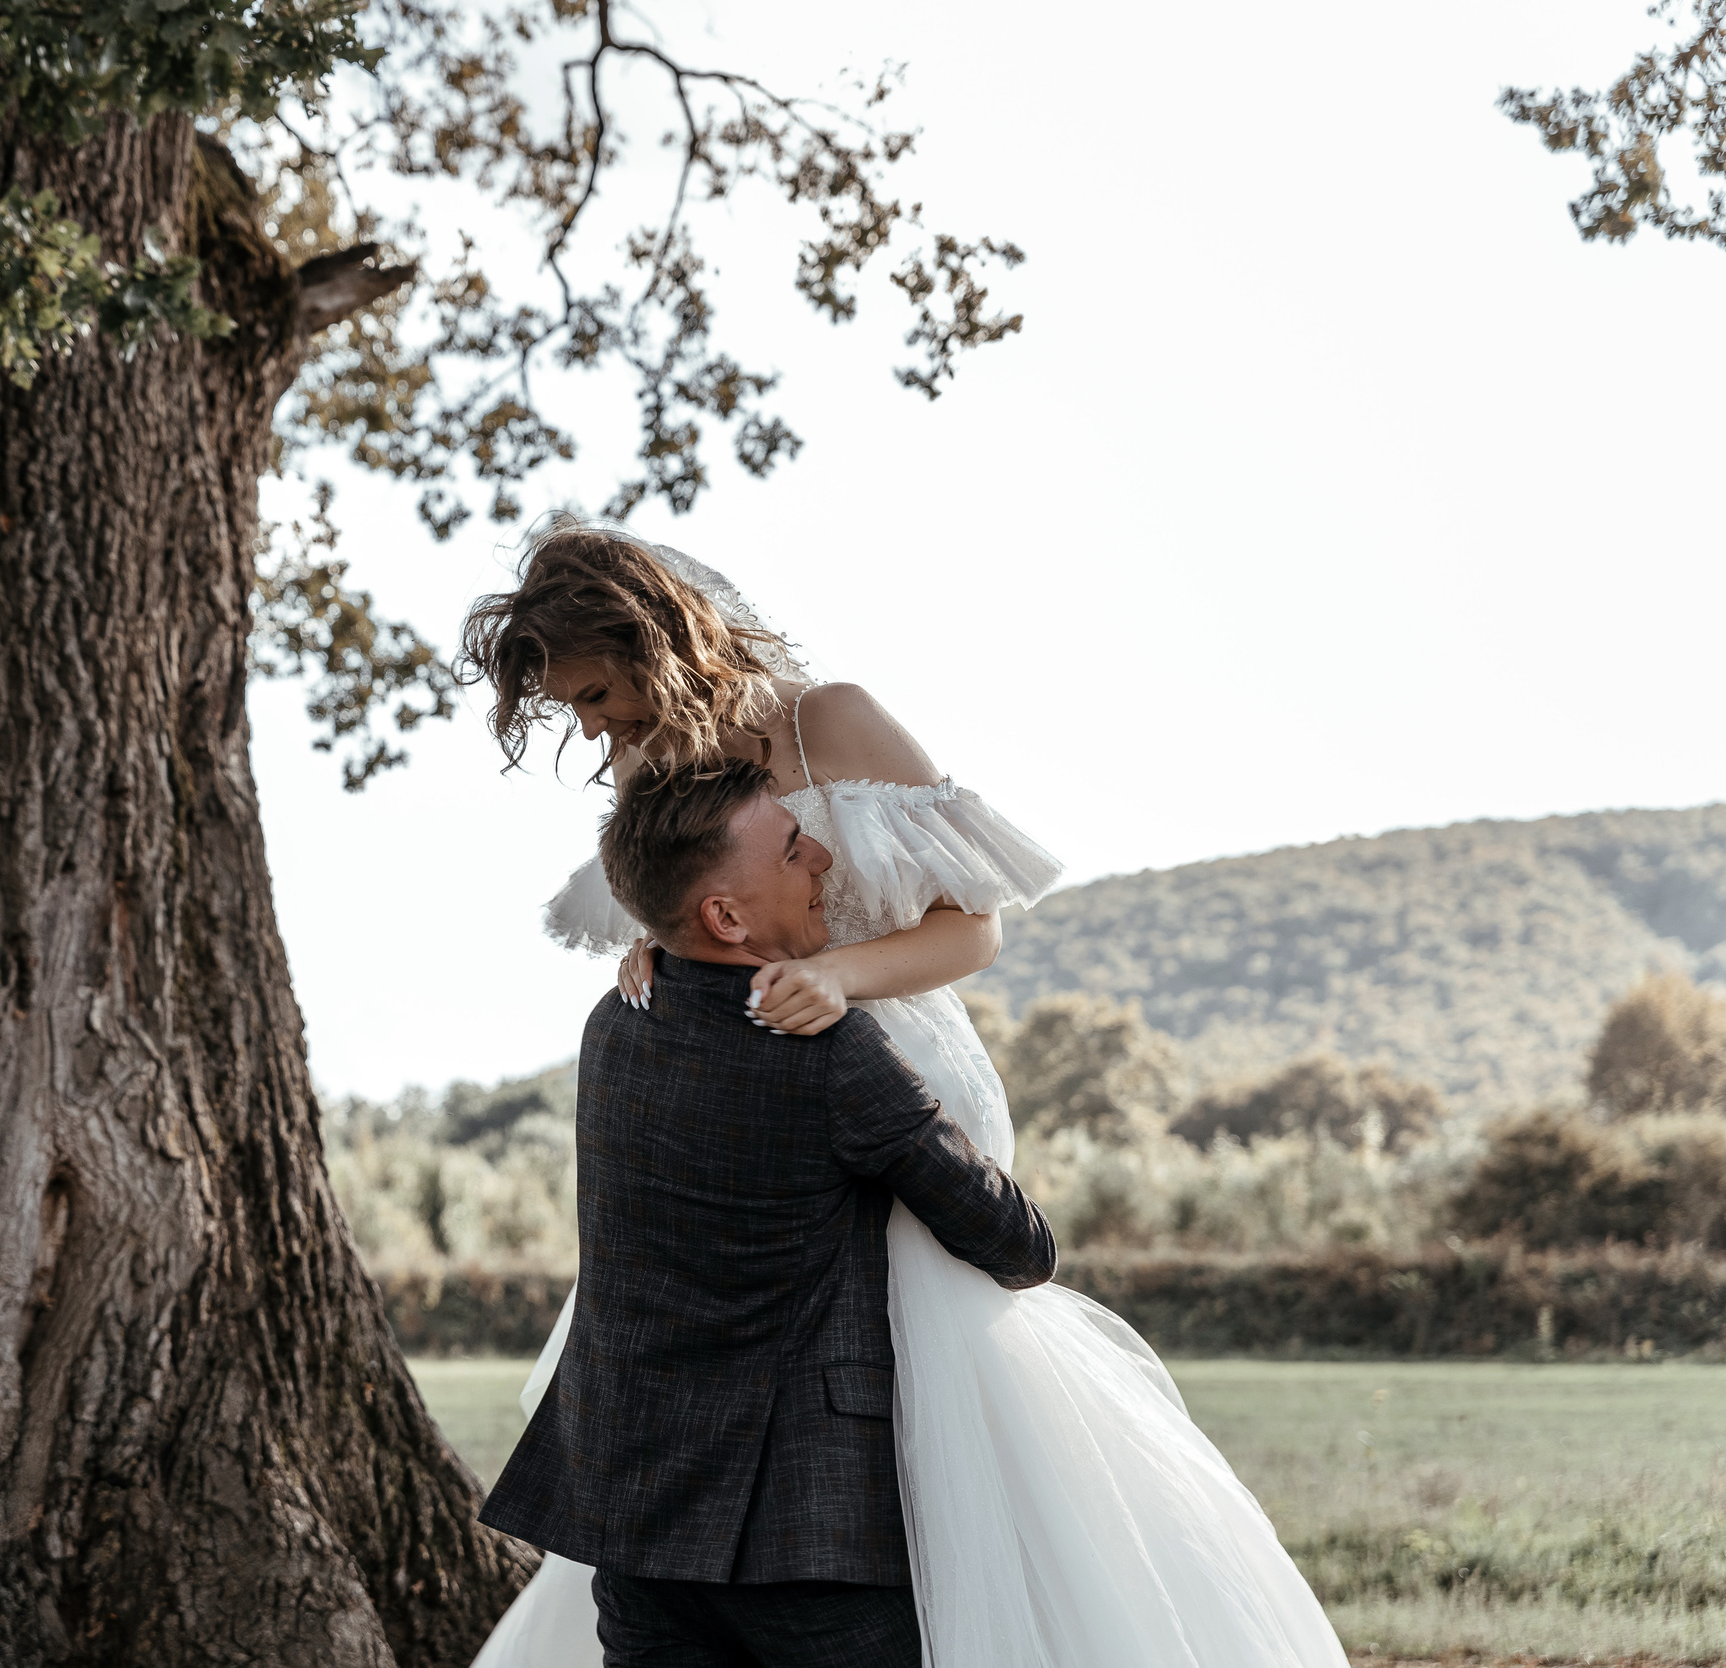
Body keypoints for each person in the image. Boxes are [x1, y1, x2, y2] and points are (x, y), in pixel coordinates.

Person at [458, 518, 1349, 1668]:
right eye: (566, 707)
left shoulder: (830, 721)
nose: (588, 726)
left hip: (881, 1054)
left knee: (937, 1372)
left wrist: (831, 978)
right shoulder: (643, 760)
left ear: (651, 640)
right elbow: (679, 911)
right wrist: (655, 955)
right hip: (742, 1094)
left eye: (592, 691)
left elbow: (969, 928)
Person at [480, 757, 1058, 1666]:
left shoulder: (615, 1023)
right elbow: (1018, 1245)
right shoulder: (831, 1054)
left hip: (638, 1517)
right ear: (726, 915)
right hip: (806, 1529)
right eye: (793, 849)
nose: (824, 855)